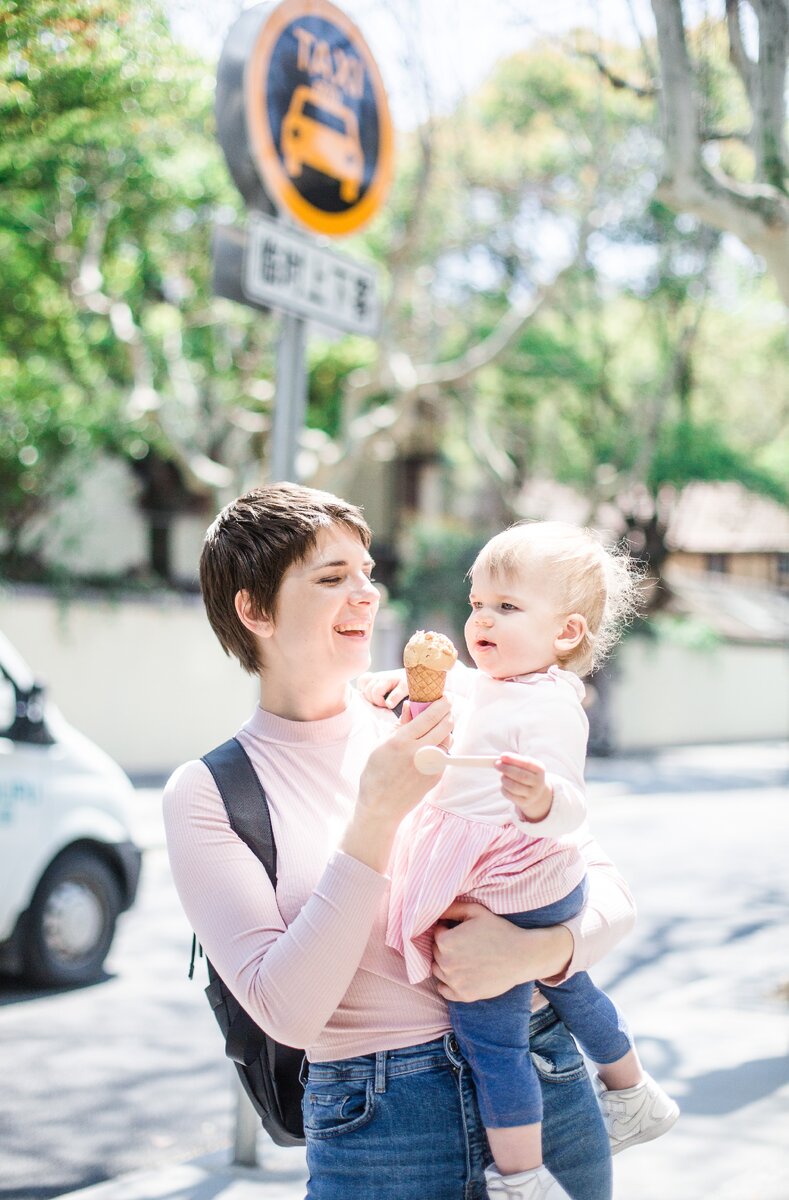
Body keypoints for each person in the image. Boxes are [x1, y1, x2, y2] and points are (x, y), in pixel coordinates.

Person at [163, 484, 639, 1200]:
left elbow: (602, 882)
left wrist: (535, 952)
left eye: (367, 572)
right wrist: (373, 820)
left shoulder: (447, 711)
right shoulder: (210, 791)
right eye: (331, 579)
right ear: (255, 610)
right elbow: (287, 1013)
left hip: (542, 1085)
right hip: (382, 1124)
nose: (366, 595)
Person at [358, 520, 679, 1198]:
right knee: (570, 987)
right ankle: (632, 1092)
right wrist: (395, 681)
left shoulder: (551, 708)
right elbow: (461, 695)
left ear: (563, 634)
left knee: (492, 1041)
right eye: (477, 603)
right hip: (536, 884)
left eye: (505, 607)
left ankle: (522, 1175)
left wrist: (539, 799)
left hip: (512, 881)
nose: (481, 619)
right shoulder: (503, 682)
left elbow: (572, 808)